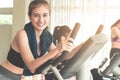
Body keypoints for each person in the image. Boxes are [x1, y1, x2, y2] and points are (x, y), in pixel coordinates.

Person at [0, 0, 74, 80]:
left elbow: (61, 55)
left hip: (20, 77)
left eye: (45, 15)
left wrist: (80, 45)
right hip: (5, 75)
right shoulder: (22, 34)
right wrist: (57, 49)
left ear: (49, 16)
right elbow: (32, 66)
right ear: (29, 16)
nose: (41, 20)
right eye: (36, 15)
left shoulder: (46, 36)